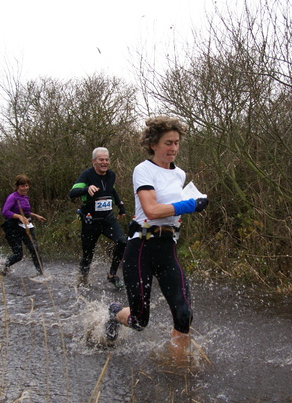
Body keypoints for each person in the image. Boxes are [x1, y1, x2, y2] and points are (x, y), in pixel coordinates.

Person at [105, 116, 208, 358]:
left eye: (176, 143)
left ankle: (178, 371)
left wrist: (183, 210)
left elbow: (172, 209)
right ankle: (115, 312)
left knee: (184, 314)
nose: (173, 148)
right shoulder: (143, 170)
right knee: (140, 321)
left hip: (167, 247)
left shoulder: (179, 174)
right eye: (168, 143)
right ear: (153, 144)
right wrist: (190, 205)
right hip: (141, 247)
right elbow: (151, 210)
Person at [69, 147, 127, 288]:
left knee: (122, 241)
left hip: (108, 219)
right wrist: (86, 189)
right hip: (90, 221)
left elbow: (111, 190)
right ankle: (82, 280)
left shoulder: (111, 175)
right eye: (101, 159)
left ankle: (112, 275)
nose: (104, 162)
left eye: (107, 159)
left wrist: (120, 206)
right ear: (94, 161)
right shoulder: (87, 175)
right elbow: (72, 193)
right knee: (88, 255)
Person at [1, 174, 46, 276]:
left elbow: (24, 212)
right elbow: (5, 212)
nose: (25, 188)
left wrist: (35, 215)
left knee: (34, 249)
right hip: (12, 228)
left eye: (26, 185)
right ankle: (1, 267)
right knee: (18, 255)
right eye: (22, 186)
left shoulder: (25, 197)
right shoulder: (12, 197)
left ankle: (41, 274)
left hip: (26, 226)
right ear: (17, 187)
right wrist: (19, 217)